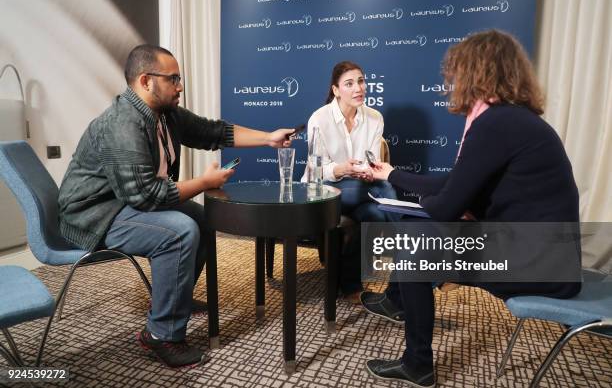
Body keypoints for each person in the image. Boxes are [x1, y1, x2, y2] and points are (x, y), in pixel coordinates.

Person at [360, 30, 582, 387]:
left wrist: (439, 203)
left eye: (457, 72)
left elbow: (446, 203)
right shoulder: (512, 119)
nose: (452, 81)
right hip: (545, 255)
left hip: (541, 265)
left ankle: (417, 364)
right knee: (412, 227)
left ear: (475, 72)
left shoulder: (494, 123)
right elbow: (455, 184)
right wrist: (396, 176)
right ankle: (399, 307)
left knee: (414, 241)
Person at [58, 44, 294, 368]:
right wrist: (204, 182)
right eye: (173, 79)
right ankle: (161, 334)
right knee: (179, 232)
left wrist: (268, 138)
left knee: (205, 218)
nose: (180, 86)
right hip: (95, 213)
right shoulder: (122, 124)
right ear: (145, 80)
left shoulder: (165, 114)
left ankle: (173, 301)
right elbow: (147, 197)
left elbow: (213, 131)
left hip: (123, 202)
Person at [301, 60, 397, 303]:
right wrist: (341, 169)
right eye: (350, 83)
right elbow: (315, 170)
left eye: (361, 81)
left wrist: (367, 171)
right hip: (322, 190)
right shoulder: (319, 119)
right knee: (385, 188)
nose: (358, 88)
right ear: (335, 90)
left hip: (362, 190)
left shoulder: (375, 118)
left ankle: (350, 283)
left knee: (374, 214)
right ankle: (418, 247)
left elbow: (372, 161)